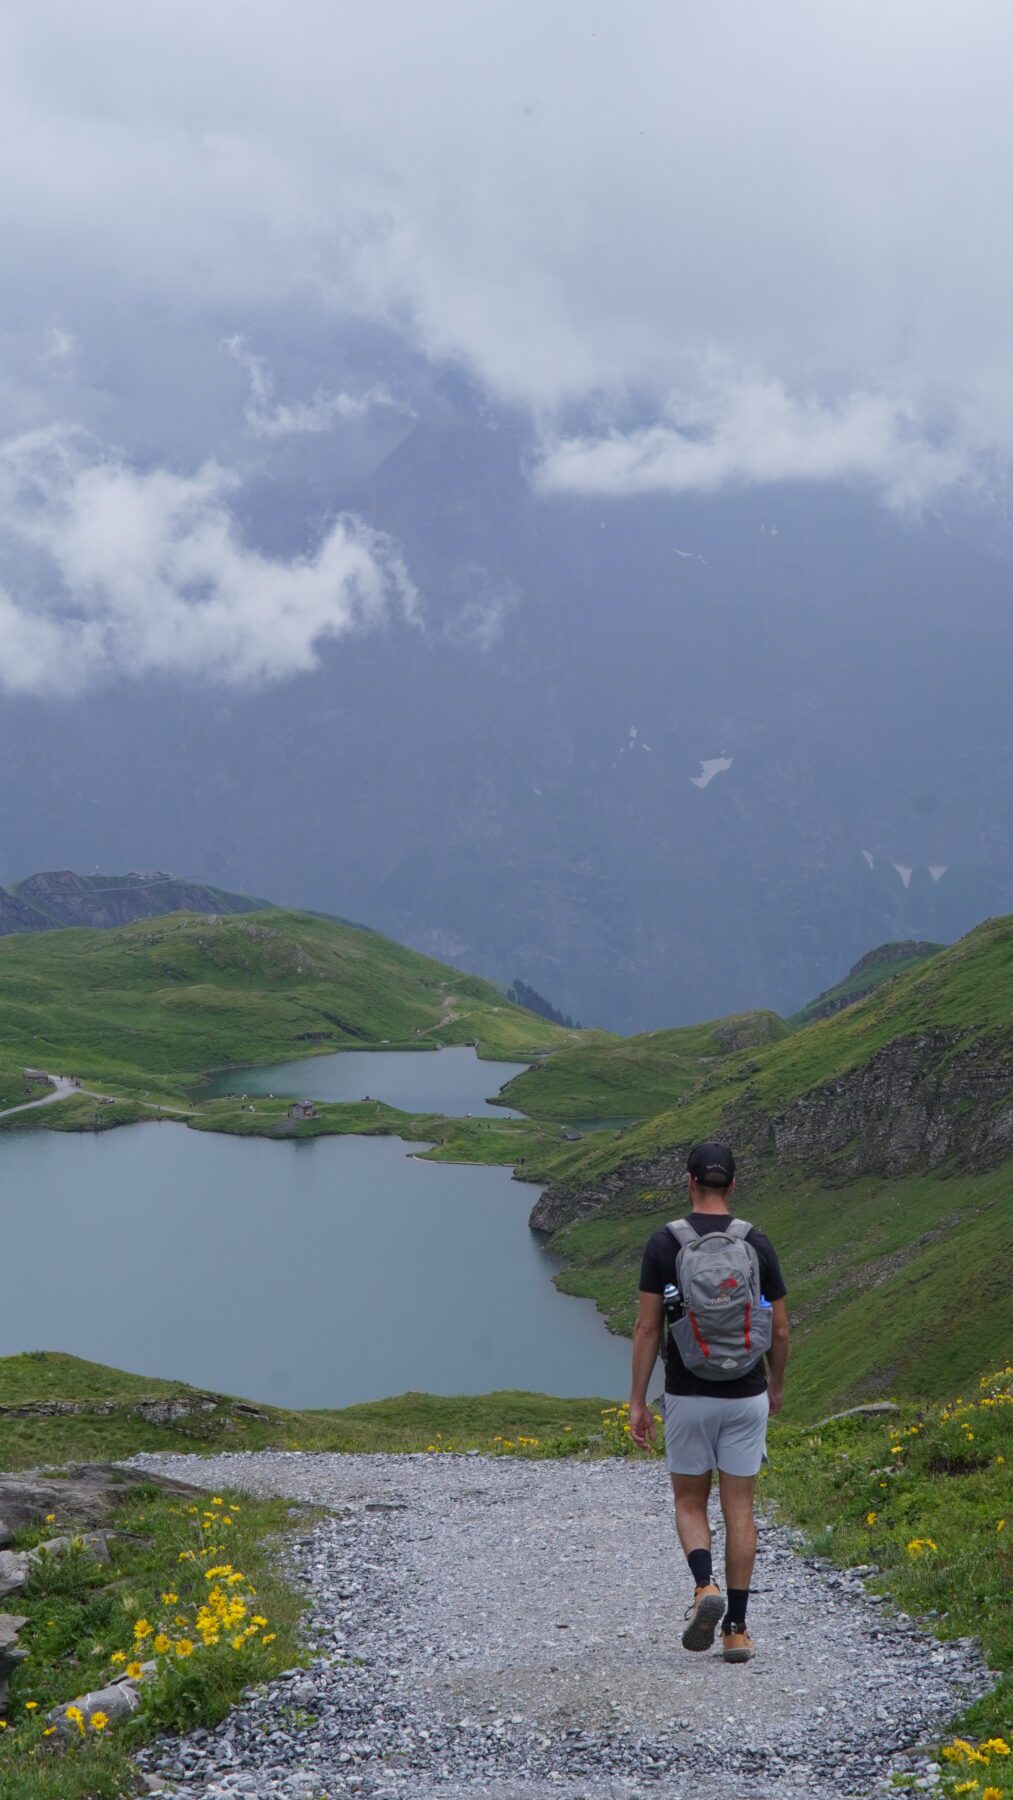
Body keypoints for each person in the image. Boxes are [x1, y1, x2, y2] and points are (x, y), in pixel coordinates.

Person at [629, 1140, 789, 1663]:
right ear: (733, 1185)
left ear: (690, 1182)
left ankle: (704, 1587)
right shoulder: (756, 1242)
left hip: (688, 1393)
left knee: (689, 1501)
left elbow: (648, 1327)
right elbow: (781, 1330)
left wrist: (638, 1401)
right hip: (746, 1394)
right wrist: (776, 1386)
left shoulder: (664, 1243)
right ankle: (738, 1630)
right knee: (739, 1508)